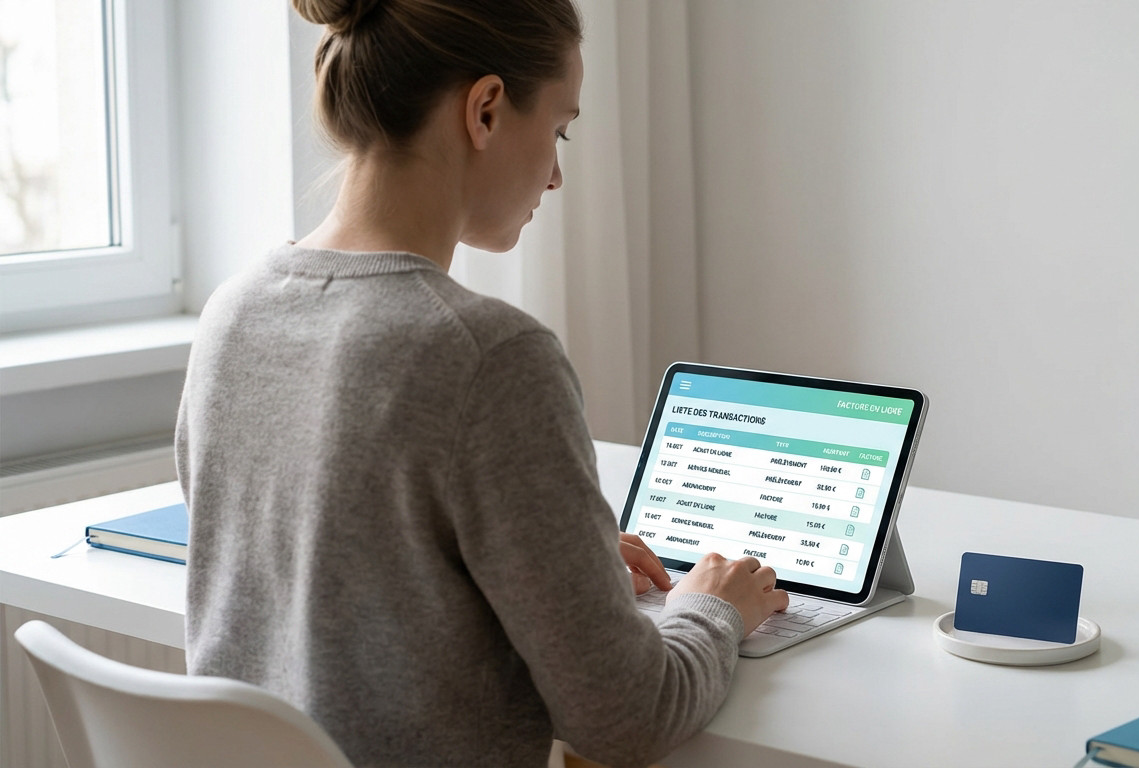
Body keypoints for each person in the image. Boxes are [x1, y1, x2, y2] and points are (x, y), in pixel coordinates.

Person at [174, 1, 788, 766]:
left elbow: (350, 577)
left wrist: (556, 564)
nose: (557, 176)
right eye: (559, 131)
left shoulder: (233, 314)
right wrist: (711, 609)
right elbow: (630, 718)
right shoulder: (489, 357)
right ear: (487, 110)